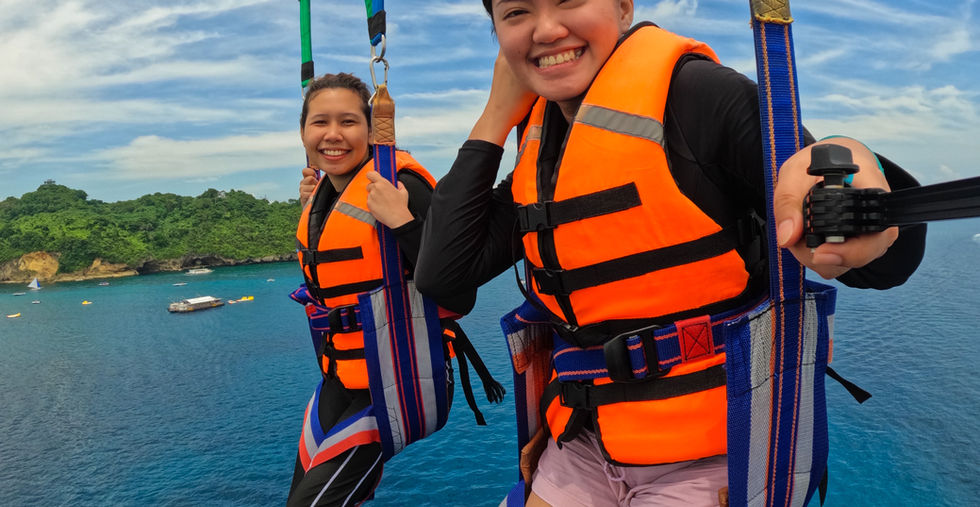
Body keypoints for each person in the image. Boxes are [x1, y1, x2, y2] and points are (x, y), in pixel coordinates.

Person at [414, 1, 926, 506]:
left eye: (569, 0)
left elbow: (881, 259)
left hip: (719, 447)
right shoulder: (543, 143)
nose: (546, 29)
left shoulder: (698, 97)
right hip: (586, 440)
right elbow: (444, 274)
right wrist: (497, 115)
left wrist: (855, 185)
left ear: (622, 8)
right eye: (516, 13)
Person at [288, 72, 499, 507]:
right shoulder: (322, 195)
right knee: (300, 495)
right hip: (340, 377)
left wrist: (403, 222)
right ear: (303, 132)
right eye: (319, 123)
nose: (332, 135)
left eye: (348, 122)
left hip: (399, 378)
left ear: (371, 128)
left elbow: (459, 295)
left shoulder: (404, 185)